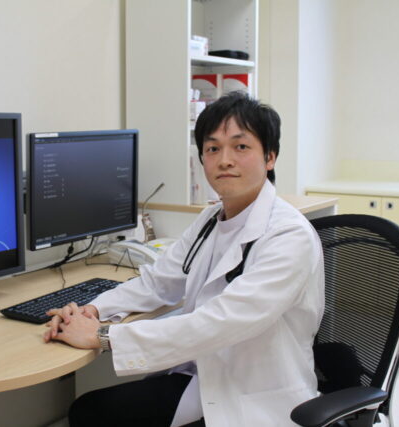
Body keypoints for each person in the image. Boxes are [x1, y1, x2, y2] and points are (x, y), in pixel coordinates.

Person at [43, 92, 325, 426]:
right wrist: (93, 309)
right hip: (204, 371)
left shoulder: (289, 236)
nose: (224, 160)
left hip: (254, 393)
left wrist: (102, 337)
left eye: (241, 146)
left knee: (90, 412)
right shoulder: (211, 220)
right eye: (213, 148)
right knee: (94, 409)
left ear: (270, 157)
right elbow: (158, 282)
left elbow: (221, 322)